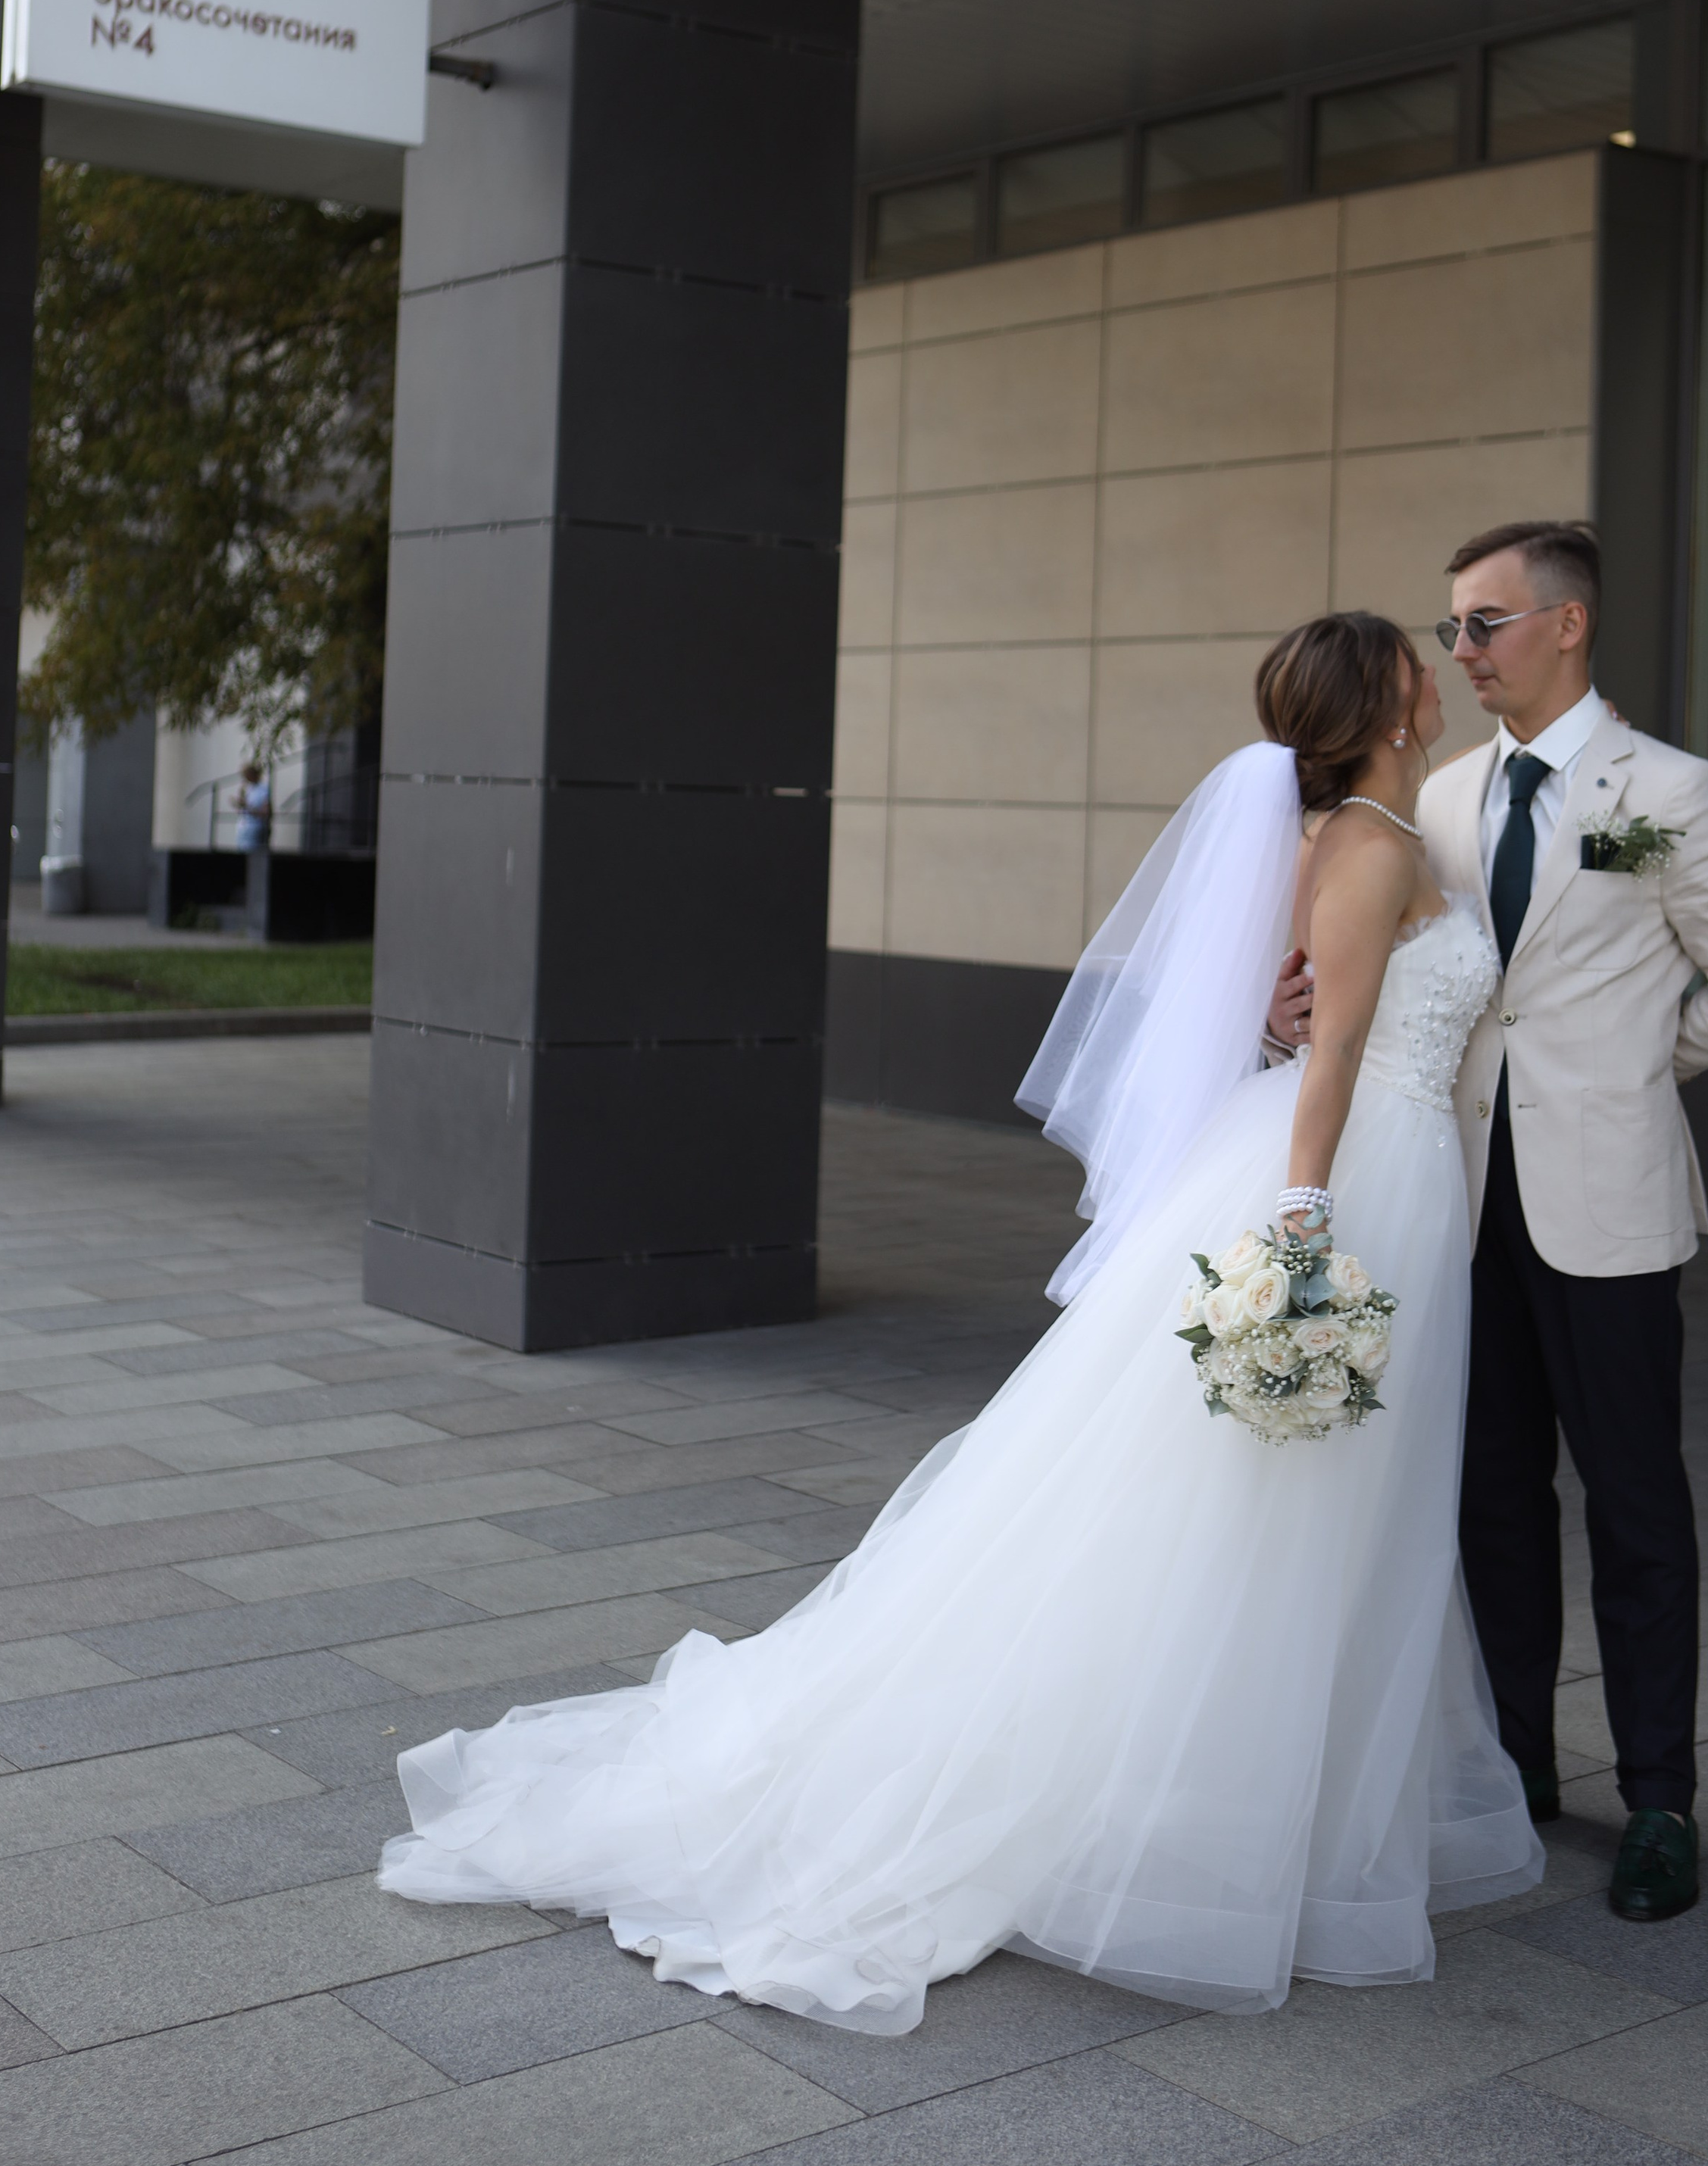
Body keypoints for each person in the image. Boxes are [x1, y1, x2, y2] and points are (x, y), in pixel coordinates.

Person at [379, 612, 1541, 2031]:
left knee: (1332, 1498)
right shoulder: (1367, 848)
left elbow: (1299, 1020)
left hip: (1403, 1169)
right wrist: (1303, 1232)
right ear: (1388, 702)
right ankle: (1212, 1809)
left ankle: (1291, 1797)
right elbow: (1336, 1052)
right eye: (1422, 658)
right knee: (1278, 1498)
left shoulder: (1367, 833)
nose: (1438, 669)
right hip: (1353, 1178)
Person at [1269, 523, 1708, 1926]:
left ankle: (1662, 1801)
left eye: (1486, 623)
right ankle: (1514, 1762)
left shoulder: (1669, 789)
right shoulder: (1434, 798)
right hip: (1454, 1202)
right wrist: (1296, 1005)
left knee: (1635, 1502)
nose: (1461, 649)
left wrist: (1624, 1074)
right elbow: (1373, 970)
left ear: (1568, 626)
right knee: (1488, 1497)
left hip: (1609, 1200)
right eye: (1451, 629)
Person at [233, 762, 272, 851]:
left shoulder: (263, 790)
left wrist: (247, 806)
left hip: (255, 828)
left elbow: (265, 813)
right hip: (243, 828)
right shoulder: (248, 789)